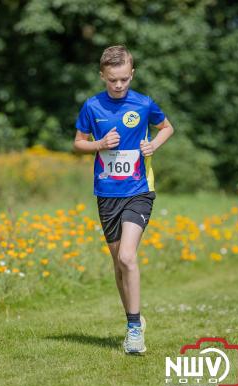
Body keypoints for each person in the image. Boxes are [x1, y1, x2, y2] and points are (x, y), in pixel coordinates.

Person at [74, 45, 174, 354]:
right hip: (107, 195)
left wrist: (154, 145)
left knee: (128, 257)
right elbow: (79, 143)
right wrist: (99, 143)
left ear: (132, 74)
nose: (118, 85)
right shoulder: (92, 107)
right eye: (112, 80)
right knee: (118, 263)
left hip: (139, 190)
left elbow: (167, 127)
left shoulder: (143, 104)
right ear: (102, 75)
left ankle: (133, 332)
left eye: (124, 79)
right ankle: (134, 318)